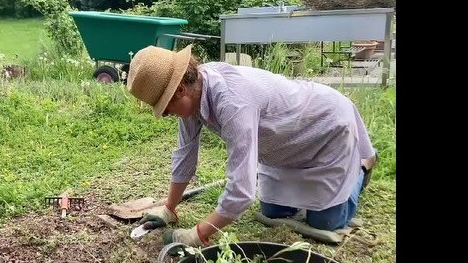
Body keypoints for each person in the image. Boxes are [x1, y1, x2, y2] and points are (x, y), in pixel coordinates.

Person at [126, 45, 378, 246]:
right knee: (273, 212)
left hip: (323, 127)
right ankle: (316, 186)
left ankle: (362, 167)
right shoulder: (194, 95)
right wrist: (169, 209)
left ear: (179, 89)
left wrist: (198, 233)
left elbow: (242, 191)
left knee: (324, 222)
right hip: (283, 147)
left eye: (165, 106)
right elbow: (185, 155)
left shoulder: (233, 103)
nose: (167, 114)